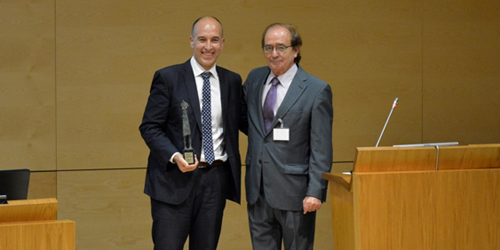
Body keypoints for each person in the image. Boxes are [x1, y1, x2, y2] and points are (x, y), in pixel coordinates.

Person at [139, 16, 243, 250]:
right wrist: (175, 155)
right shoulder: (169, 78)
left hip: (215, 181)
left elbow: (248, 123)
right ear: (191, 41)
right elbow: (150, 127)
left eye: (214, 40)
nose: (208, 46)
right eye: (202, 39)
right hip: (173, 182)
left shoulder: (232, 82)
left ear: (223, 43)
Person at [242, 23, 333, 250]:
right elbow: (252, 126)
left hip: (296, 194)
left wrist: (316, 191)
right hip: (258, 191)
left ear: (296, 49)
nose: (274, 54)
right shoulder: (254, 79)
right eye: (268, 47)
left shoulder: (316, 89)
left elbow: (321, 147)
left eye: (281, 47)